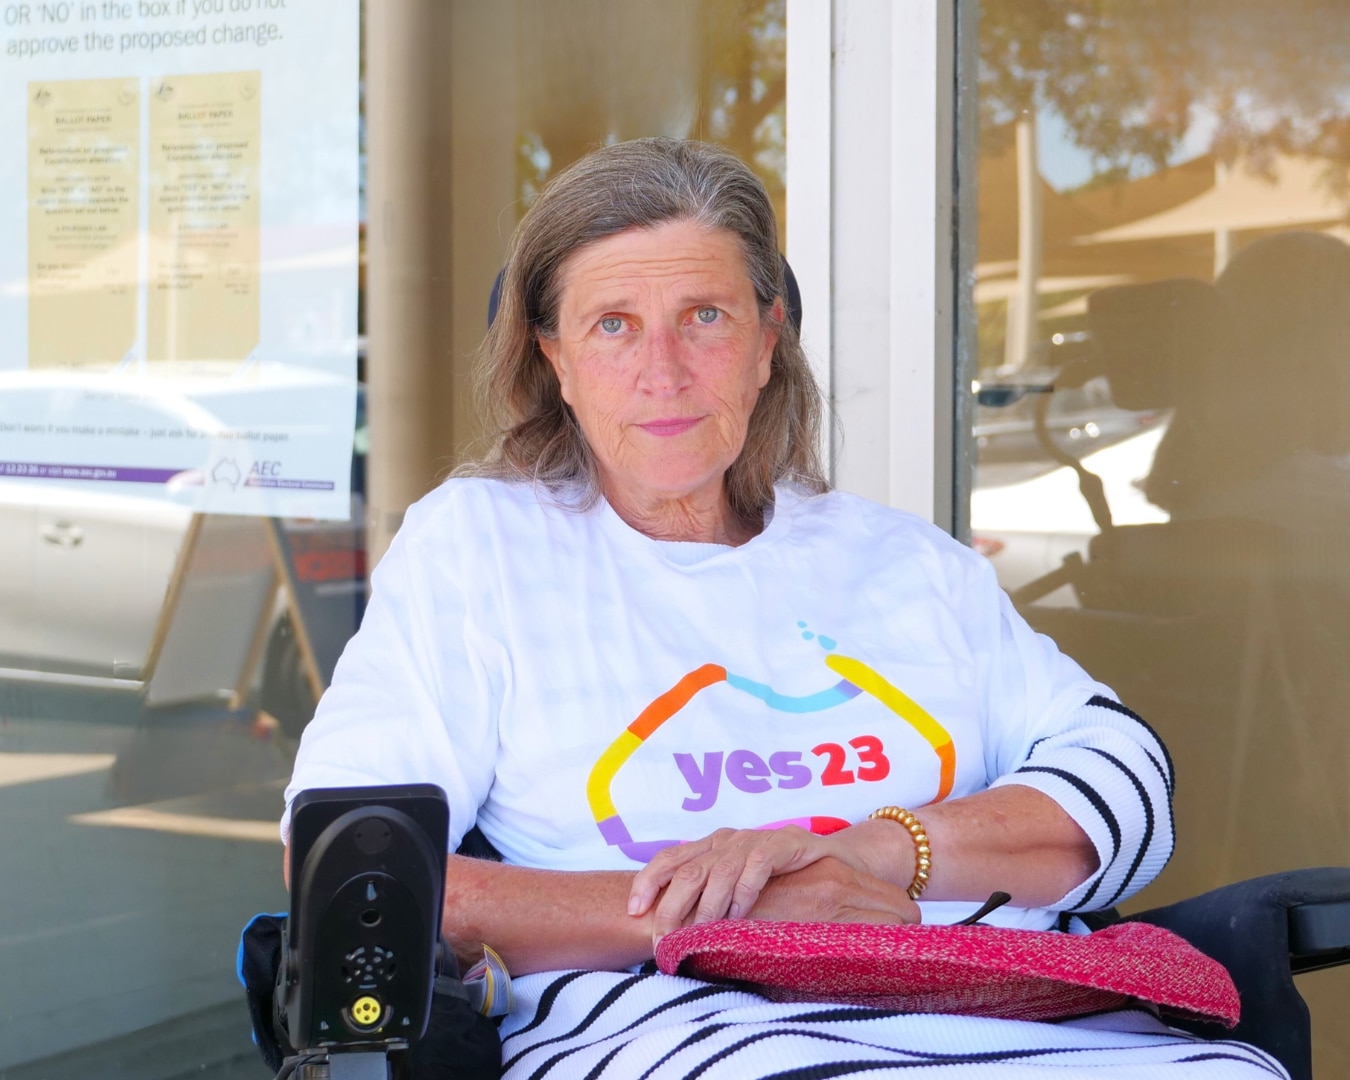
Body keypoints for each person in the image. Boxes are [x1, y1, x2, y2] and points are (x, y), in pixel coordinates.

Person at [284, 138, 1281, 1077]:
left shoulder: (903, 563)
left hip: (1026, 1016)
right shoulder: (482, 552)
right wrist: (726, 918)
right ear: (555, 360)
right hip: (683, 1029)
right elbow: (351, 870)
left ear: (770, 339)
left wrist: (879, 851)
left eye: (705, 317)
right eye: (613, 325)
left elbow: (1125, 782)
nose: (662, 371)